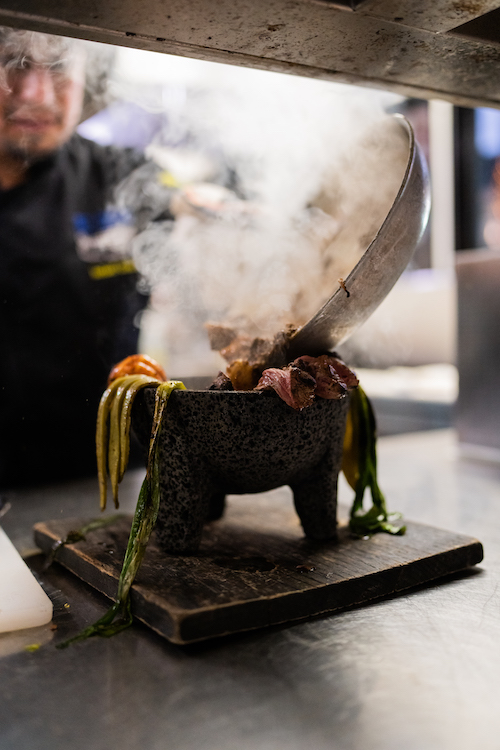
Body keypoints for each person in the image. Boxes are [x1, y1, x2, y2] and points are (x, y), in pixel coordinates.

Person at [0, 28, 170, 486]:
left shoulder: (121, 176)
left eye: (57, 67)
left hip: (101, 480)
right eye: (11, 62)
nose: (34, 92)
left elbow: (203, 210)